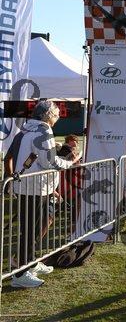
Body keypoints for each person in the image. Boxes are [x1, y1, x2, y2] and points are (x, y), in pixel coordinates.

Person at [10, 100, 80, 288]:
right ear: (49, 116)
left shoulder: (27, 129)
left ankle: (30, 263)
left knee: (31, 229)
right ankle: (20, 274)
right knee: (31, 231)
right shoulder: (44, 131)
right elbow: (50, 162)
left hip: (28, 186)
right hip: (35, 188)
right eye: (56, 115)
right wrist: (71, 162)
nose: (57, 119)